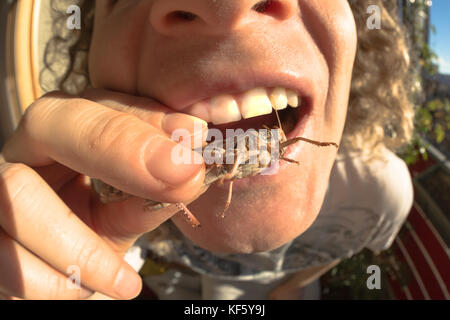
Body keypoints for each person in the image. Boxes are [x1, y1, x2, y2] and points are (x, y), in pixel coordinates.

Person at [0, 0, 414, 300]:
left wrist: (294, 287)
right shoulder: (100, 196)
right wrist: (61, 263)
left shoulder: (381, 195)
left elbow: (341, 250)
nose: (227, 5)